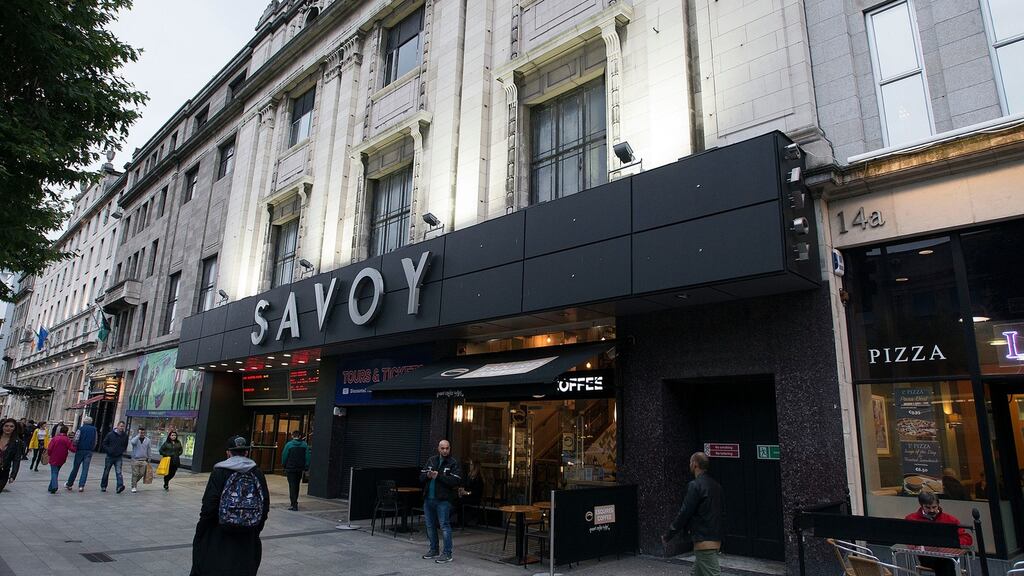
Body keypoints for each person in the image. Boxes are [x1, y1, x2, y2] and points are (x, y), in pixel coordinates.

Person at [190, 436, 270, 576]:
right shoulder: (257, 472)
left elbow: (210, 504)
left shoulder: (219, 471)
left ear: (228, 453)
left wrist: (202, 528)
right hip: (248, 534)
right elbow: (265, 504)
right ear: (246, 453)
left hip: (219, 531)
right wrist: (255, 527)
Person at [662, 452, 723, 576]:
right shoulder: (716, 486)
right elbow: (722, 512)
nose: (689, 465)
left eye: (690, 462)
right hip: (715, 538)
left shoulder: (695, 486)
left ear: (695, 464)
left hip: (704, 541)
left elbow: (684, 513)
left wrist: (668, 535)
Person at [904, 491, 972, 576]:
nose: (932, 510)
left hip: (947, 554)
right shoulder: (911, 519)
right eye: (928, 507)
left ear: (938, 505)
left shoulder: (950, 519)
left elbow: (966, 538)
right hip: (927, 555)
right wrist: (915, 545)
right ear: (921, 505)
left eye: (934, 507)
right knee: (945, 563)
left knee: (945, 562)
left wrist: (951, 545)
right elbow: (907, 537)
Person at [420, 439, 462, 564]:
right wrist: (427, 475)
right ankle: (434, 549)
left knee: (444, 526)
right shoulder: (431, 460)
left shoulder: (454, 463)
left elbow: (456, 481)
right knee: (429, 525)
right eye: (442, 448)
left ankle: (447, 554)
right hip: (429, 499)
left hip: (443, 500)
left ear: (450, 449)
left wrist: (439, 476)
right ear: (438, 448)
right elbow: (420, 477)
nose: (444, 450)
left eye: (447, 448)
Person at [65, 416, 98, 492]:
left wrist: (75, 445)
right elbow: (95, 441)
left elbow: (76, 439)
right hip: (89, 451)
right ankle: (81, 486)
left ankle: (70, 483)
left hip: (80, 450)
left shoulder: (81, 429)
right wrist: (92, 448)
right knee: (85, 469)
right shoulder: (94, 430)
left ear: (84, 422)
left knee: (75, 468)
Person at [280, 430, 310, 510]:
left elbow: (284, 456)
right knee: (297, 485)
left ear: (292, 436)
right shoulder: (304, 445)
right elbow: (307, 456)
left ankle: (293, 504)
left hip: (290, 468)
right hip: (299, 468)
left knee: (292, 486)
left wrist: (283, 465)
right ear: (300, 436)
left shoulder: (289, 445)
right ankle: (295, 501)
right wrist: (306, 466)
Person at [100, 421, 129, 493]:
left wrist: (121, 450)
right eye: (121, 426)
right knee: (106, 471)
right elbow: (104, 443)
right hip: (110, 456)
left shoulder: (125, 436)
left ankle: (120, 486)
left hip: (118, 456)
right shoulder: (110, 434)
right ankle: (103, 486)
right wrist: (108, 450)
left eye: (123, 426)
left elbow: (125, 445)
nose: (122, 428)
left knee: (119, 472)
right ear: (117, 426)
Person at [46, 425, 73, 494]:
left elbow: (49, 448)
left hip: (54, 457)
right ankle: (50, 487)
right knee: (56, 471)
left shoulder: (55, 438)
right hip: (62, 458)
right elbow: (71, 448)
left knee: (54, 472)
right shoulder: (67, 439)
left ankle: (54, 486)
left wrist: (49, 454)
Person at [0, 418, 24, 493]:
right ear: (2, 426)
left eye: (11, 426)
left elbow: (16, 459)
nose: (8, 428)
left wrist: (13, 475)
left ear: (15, 428)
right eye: (6, 426)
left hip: (3, 472)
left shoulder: (17, 442)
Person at [458, 459, 484, 526]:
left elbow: (477, 492)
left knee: (459, 502)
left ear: (475, 466)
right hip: (468, 496)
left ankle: (461, 522)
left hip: (475, 498)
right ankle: (460, 521)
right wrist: (462, 490)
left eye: (471, 464)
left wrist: (467, 493)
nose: (470, 466)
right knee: (455, 499)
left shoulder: (479, 478)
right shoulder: (470, 476)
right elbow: (466, 487)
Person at [128, 426, 151, 493]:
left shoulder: (148, 440)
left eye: (143, 432)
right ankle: (134, 486)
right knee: (135, 474)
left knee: (141, 473)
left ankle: (133, 482)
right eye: (141, 432)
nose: (142, 434)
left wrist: (149, 457)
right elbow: (132, 442)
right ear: (138, 432)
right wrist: (138, 435)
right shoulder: (136, 439)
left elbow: (149, 449)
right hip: (135, 459)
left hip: (144, 460)